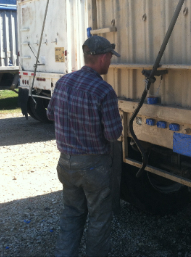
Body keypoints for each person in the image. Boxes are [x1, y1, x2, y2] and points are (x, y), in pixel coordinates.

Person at [47, 36, 123, 257]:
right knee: (99, 218)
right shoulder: (103, 91)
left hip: (65, 163)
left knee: (71, 213)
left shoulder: (63, 82)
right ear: (102, 57)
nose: (110, 62)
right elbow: (113, 134)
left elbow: (51, 114)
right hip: (93, 168)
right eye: (109, 57)